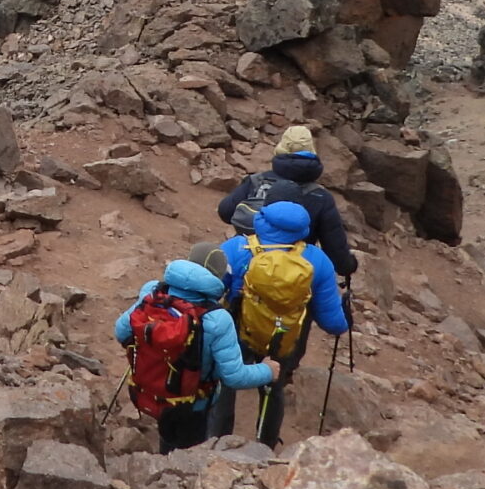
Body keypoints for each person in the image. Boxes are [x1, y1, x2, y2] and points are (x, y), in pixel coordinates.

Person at [209, 199, 350, 447]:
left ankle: (216, 441)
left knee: (226, 381)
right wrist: (344, 316)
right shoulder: (316, 260)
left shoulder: (236, 248)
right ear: (304, 229)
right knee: (273, 388)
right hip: (284, 338)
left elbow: (211, 293)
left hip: (238, 331)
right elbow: (333, 323)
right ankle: (265, 445)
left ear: (261, 220)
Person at [113, 258, 275, 452]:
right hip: (192, 406)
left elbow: (121, 332)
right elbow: (234, 377)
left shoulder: (153, 293)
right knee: (187, 452)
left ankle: (163, 462)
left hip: (149, 390)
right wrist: (268, 370)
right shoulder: (217, 319)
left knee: (167, 435)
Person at [217, 125, 358, 279]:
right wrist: (349, 265)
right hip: (293, 278)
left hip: (248, 267)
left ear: (281, 149)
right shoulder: (321, 197)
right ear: (312, 152)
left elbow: (225, 212)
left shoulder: (256, 181)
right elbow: (336, 253)